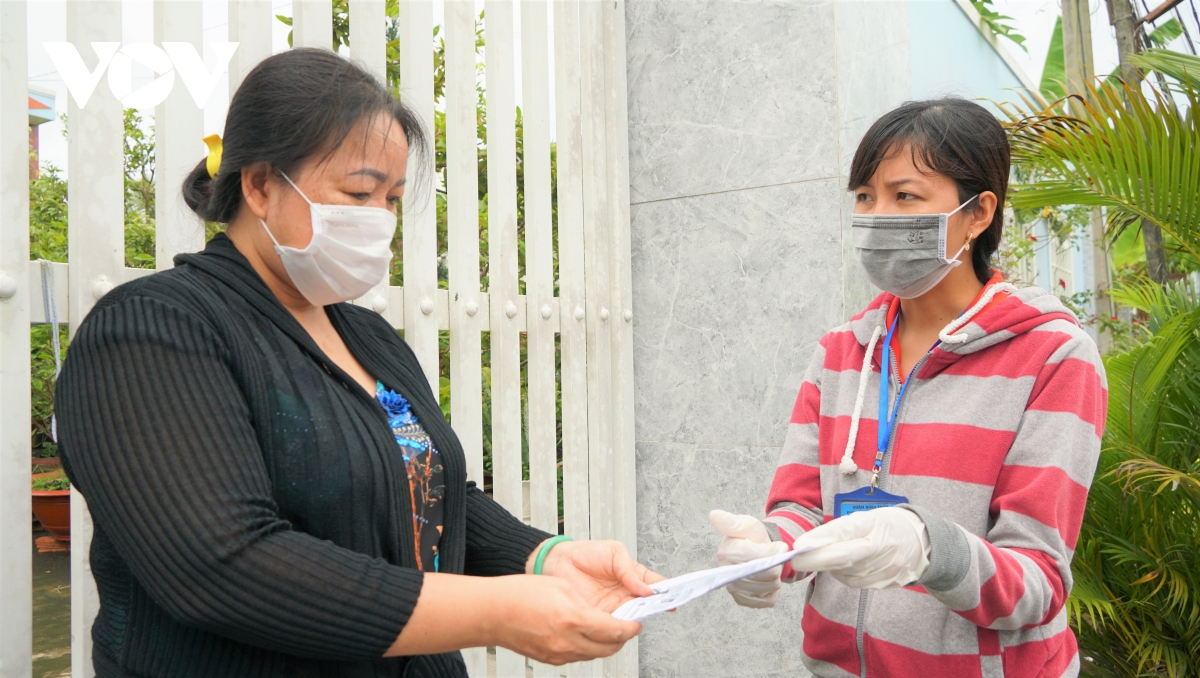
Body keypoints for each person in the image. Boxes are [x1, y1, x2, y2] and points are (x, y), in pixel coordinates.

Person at [56, 48, 659, 678]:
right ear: (260, 186)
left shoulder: (368, 335)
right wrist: (495, 612)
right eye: (359, 192)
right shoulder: (151, 329)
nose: (379, 220)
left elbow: (422, 483)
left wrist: (544, 558)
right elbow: (222, 565)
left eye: (391, 198)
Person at [710, 99, 1107, 677]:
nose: (877, 216)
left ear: (978, 214)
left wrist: (929, 548)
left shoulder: (1053, 357)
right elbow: (804, 508)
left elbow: (1036, 582)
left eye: (905, 196)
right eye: (865, 196)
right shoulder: (840, 352)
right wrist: (769, 547)